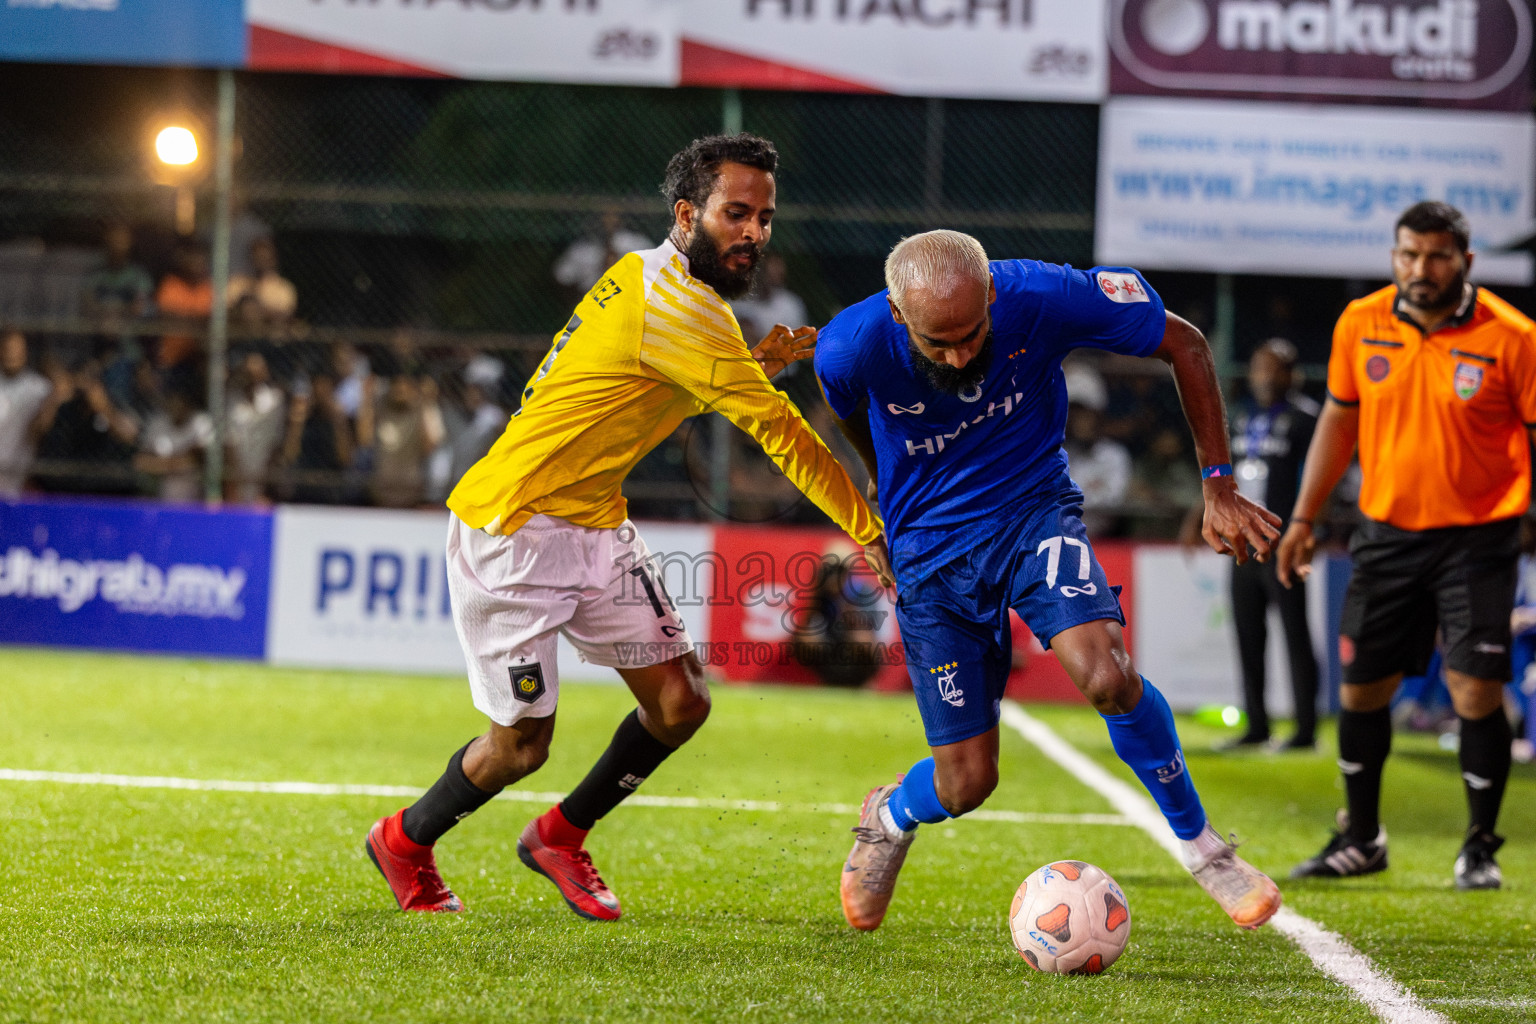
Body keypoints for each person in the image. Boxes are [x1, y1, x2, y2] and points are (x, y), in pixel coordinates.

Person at [363, 133, 886, 919]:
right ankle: (404, 840)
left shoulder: (656, 278)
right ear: (687, 213)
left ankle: (559, 837)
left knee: (680, 703)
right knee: (520, 748)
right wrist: (871, 533)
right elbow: (782, 435)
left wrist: (756, 362)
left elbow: (649, 373)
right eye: (737, 214)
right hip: (514, 531)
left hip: (596, 527)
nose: (755, 233)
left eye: (765, 218)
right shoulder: (677, 305)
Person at [816, 229, 1283, 933]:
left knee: (1108, 676)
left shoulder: (1042, 294)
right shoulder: (848, 347)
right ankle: (888, 816)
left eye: (973, 335)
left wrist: (1217, 483)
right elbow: (847, 408)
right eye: (937, 342)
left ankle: (1207, 850)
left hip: (1034, 514)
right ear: (897, 311)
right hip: (929, 548)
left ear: (993, 298)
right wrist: (878, 498)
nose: (959, 356)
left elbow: (1184, 342)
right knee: (968, 783)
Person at [1277, 201, 1536, 891]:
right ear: (1395, 257)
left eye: (1438, 256)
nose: (1422, 269)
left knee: (1475, 690)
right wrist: (1303, 519)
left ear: (1467, 262)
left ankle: (1480, 846)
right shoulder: (1360, 323)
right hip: (1386, 535)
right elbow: (1338, 420)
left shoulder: (1514, 337)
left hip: (1479, 539)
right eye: (1409, 255)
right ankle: (1361, 839)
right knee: (1362, 692)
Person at [1219, 339, 1320, 751]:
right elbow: (1223, 472)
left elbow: (1321, 478)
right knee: (1248, 633)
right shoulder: (1242, 416)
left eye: (1274, 368)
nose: (1264, 376)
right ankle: (1256, 724)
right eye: (1258, 367)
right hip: (1244, 540)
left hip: (1283, 540)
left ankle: (1305, 730)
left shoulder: (1306, 418)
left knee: (1295, 633)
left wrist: (1309, 528)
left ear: (1291, 374)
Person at [0, 330, 58, 497]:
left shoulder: (40, 388)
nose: (12, 355)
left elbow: (42, 429)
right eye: (7, 349)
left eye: (16, 349)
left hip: (21, 471)